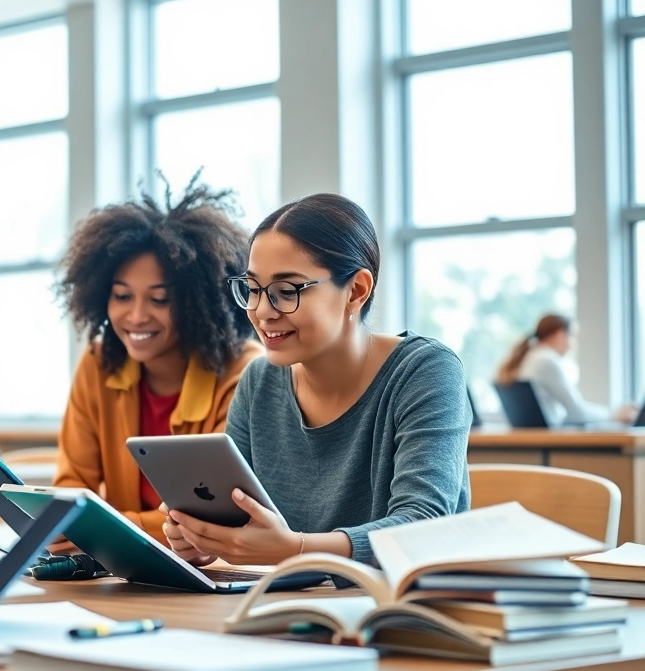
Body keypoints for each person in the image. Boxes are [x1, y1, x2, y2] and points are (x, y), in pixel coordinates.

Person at [162, 192, 470, 567]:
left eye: (286, 291)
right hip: (285, 604)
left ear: (356, 290)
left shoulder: (426, 370)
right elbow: (238, 515)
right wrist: (203, 536)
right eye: (254, 289)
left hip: (397, 606)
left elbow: (423, 526)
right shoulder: (259, 381)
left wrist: (297, 549)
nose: (261, 312)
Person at [53, 177, 264, 544]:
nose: (135, 317)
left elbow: (213, 512)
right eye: (121, 296)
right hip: (122, 570)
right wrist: (73, 522)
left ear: (201, 303)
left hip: (210, 569)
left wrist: (97, 526)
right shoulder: (99, 363)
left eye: (160, 300)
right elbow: (72, 483)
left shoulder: (245, 372)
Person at [495, 314, 637, 426]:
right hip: (549, 439)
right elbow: (577, 412)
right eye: (572, 336)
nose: (573, 344)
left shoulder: (531, 356)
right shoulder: (546, 359)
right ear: (559, 334)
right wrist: (614, 415)